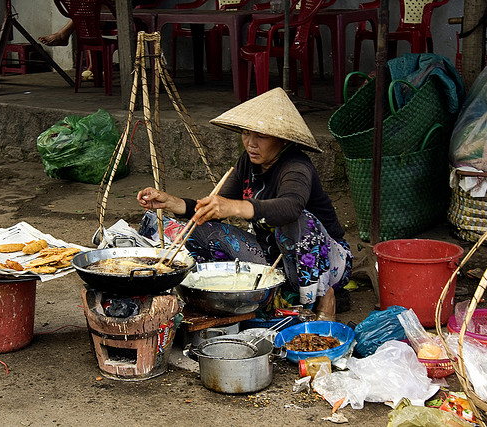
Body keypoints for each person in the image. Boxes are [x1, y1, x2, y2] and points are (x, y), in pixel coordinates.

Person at [136, 88, 353, 321]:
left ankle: (323, 296)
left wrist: (236, 207)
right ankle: (270, 292)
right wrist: (171, 202)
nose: (251, 143)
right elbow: (214, 209)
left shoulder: (297, 166)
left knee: (298, 221)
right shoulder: (247, 164)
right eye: (246, 134)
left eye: (260, 136)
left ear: (282, 139)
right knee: (198, 226)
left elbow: (290, 207)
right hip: (272, 259)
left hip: (326, 265)